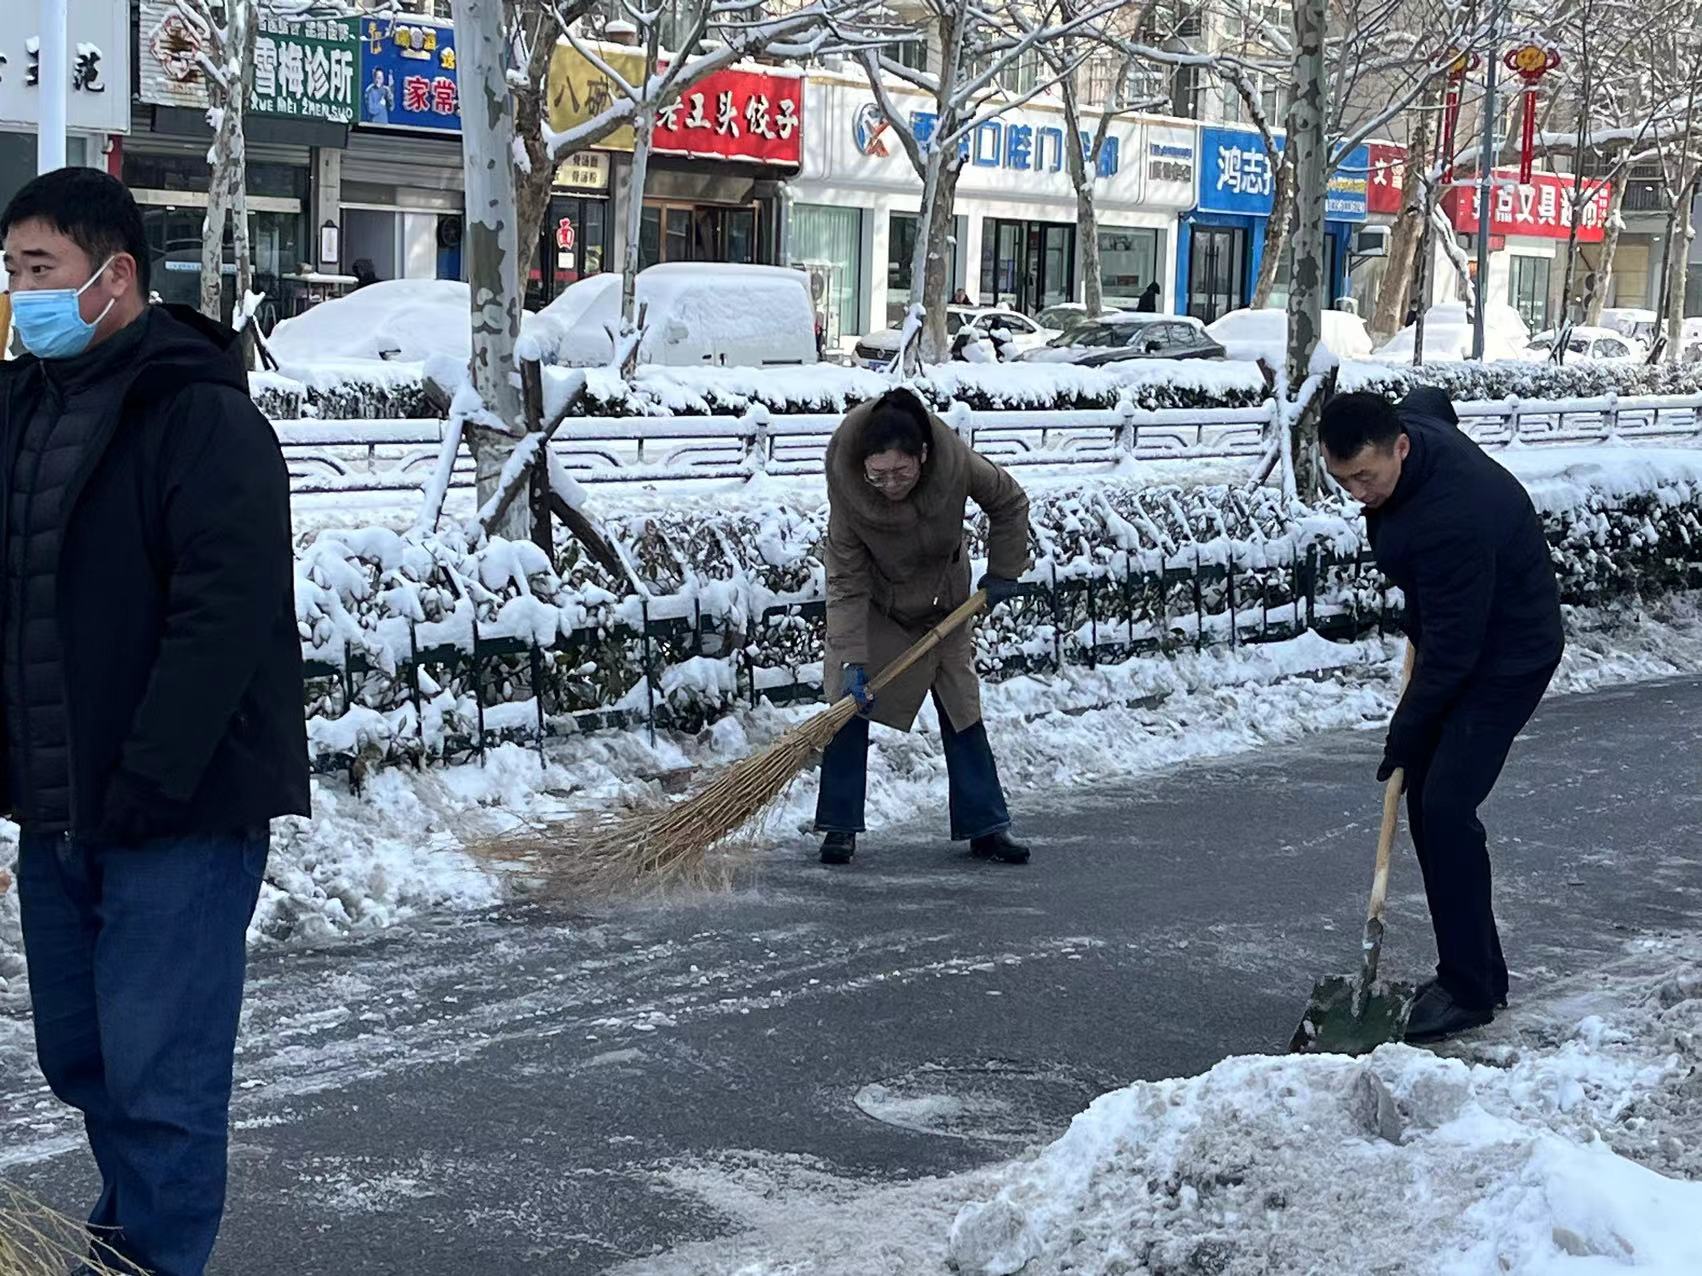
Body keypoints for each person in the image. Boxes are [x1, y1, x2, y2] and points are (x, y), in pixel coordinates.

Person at [0, 168, 309, 1274]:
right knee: (82, 1057)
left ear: (115, 275)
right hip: (57, 807)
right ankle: (126, 1242)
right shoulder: (19, 409)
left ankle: (147, 1259)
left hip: (176, 813)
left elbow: (223, 619)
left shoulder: (203, 418)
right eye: (11, 270)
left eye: (41, 269)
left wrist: (151, 779)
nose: (21, 294)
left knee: (160, 1080)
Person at [1320, 388, 1563, 1045]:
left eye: (1365, 477)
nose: (1357, 493)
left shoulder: (1453, 518)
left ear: (1400, 447)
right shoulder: (1412, 429)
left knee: (1446, 805)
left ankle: (1470, 990)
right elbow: (1434, 399)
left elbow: (1453, 655)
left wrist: (1406, 731)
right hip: (1461, 632)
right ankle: (1479, 968)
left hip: (1510, 653)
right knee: (1430, 802)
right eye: (1342, 480)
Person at [817, 387, 1031, 866]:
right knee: (847, 705)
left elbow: (1010, 501)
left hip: (944, 603)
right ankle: (838, 825)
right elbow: (845, 580)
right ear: (862, 466)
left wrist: (1004, 569)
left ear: (924, 456)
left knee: (961, 705)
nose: (890, 484)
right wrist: (851, 658)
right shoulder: (847, 490)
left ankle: (986, 826)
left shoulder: (956, 463)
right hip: (878, 606)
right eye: (878, 475)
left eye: (901, 471)